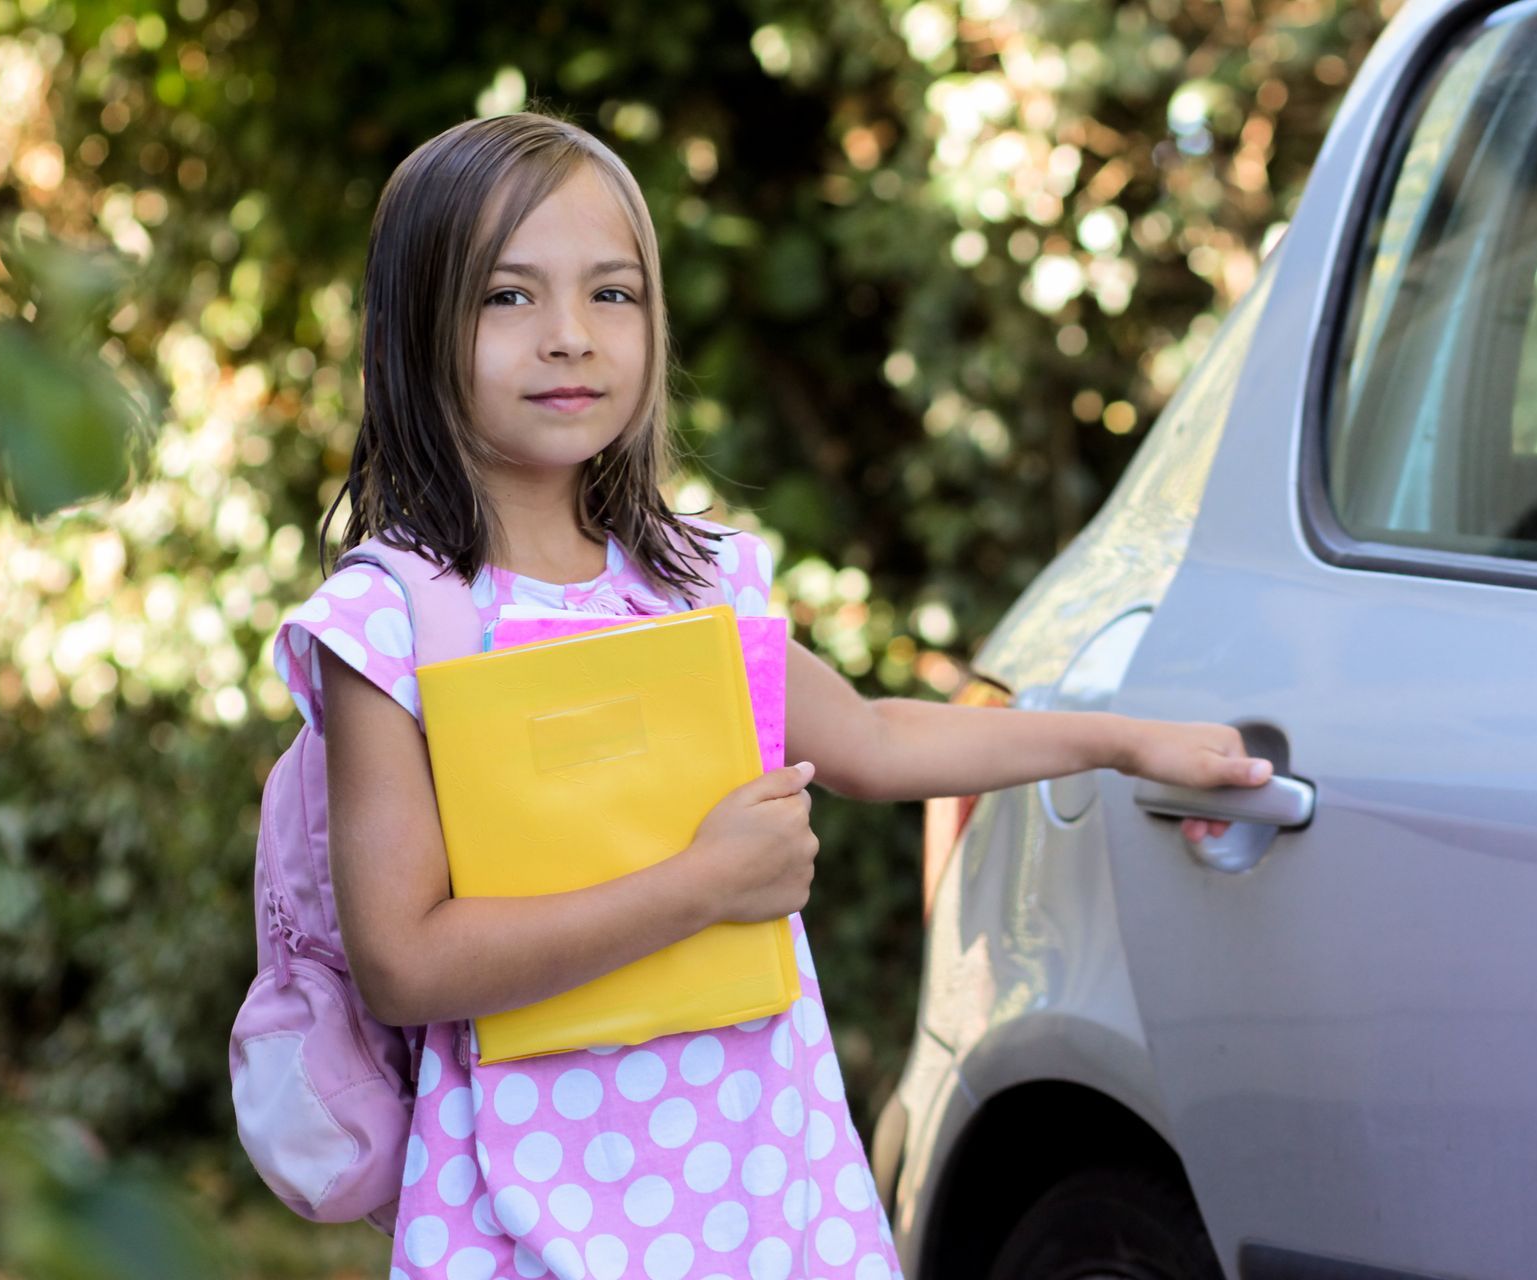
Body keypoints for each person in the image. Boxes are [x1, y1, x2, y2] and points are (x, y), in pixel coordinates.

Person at [273, 111, 1271, 1280]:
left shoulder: (692, 580)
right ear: (404, 335)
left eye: (612, 293)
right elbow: (407, 958)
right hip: (527, 1214)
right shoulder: (389, 622)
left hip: (764, 1180)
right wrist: (703, 885)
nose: (568, 337)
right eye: (506, 297)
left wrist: (1128, 738)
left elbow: (875, 738)